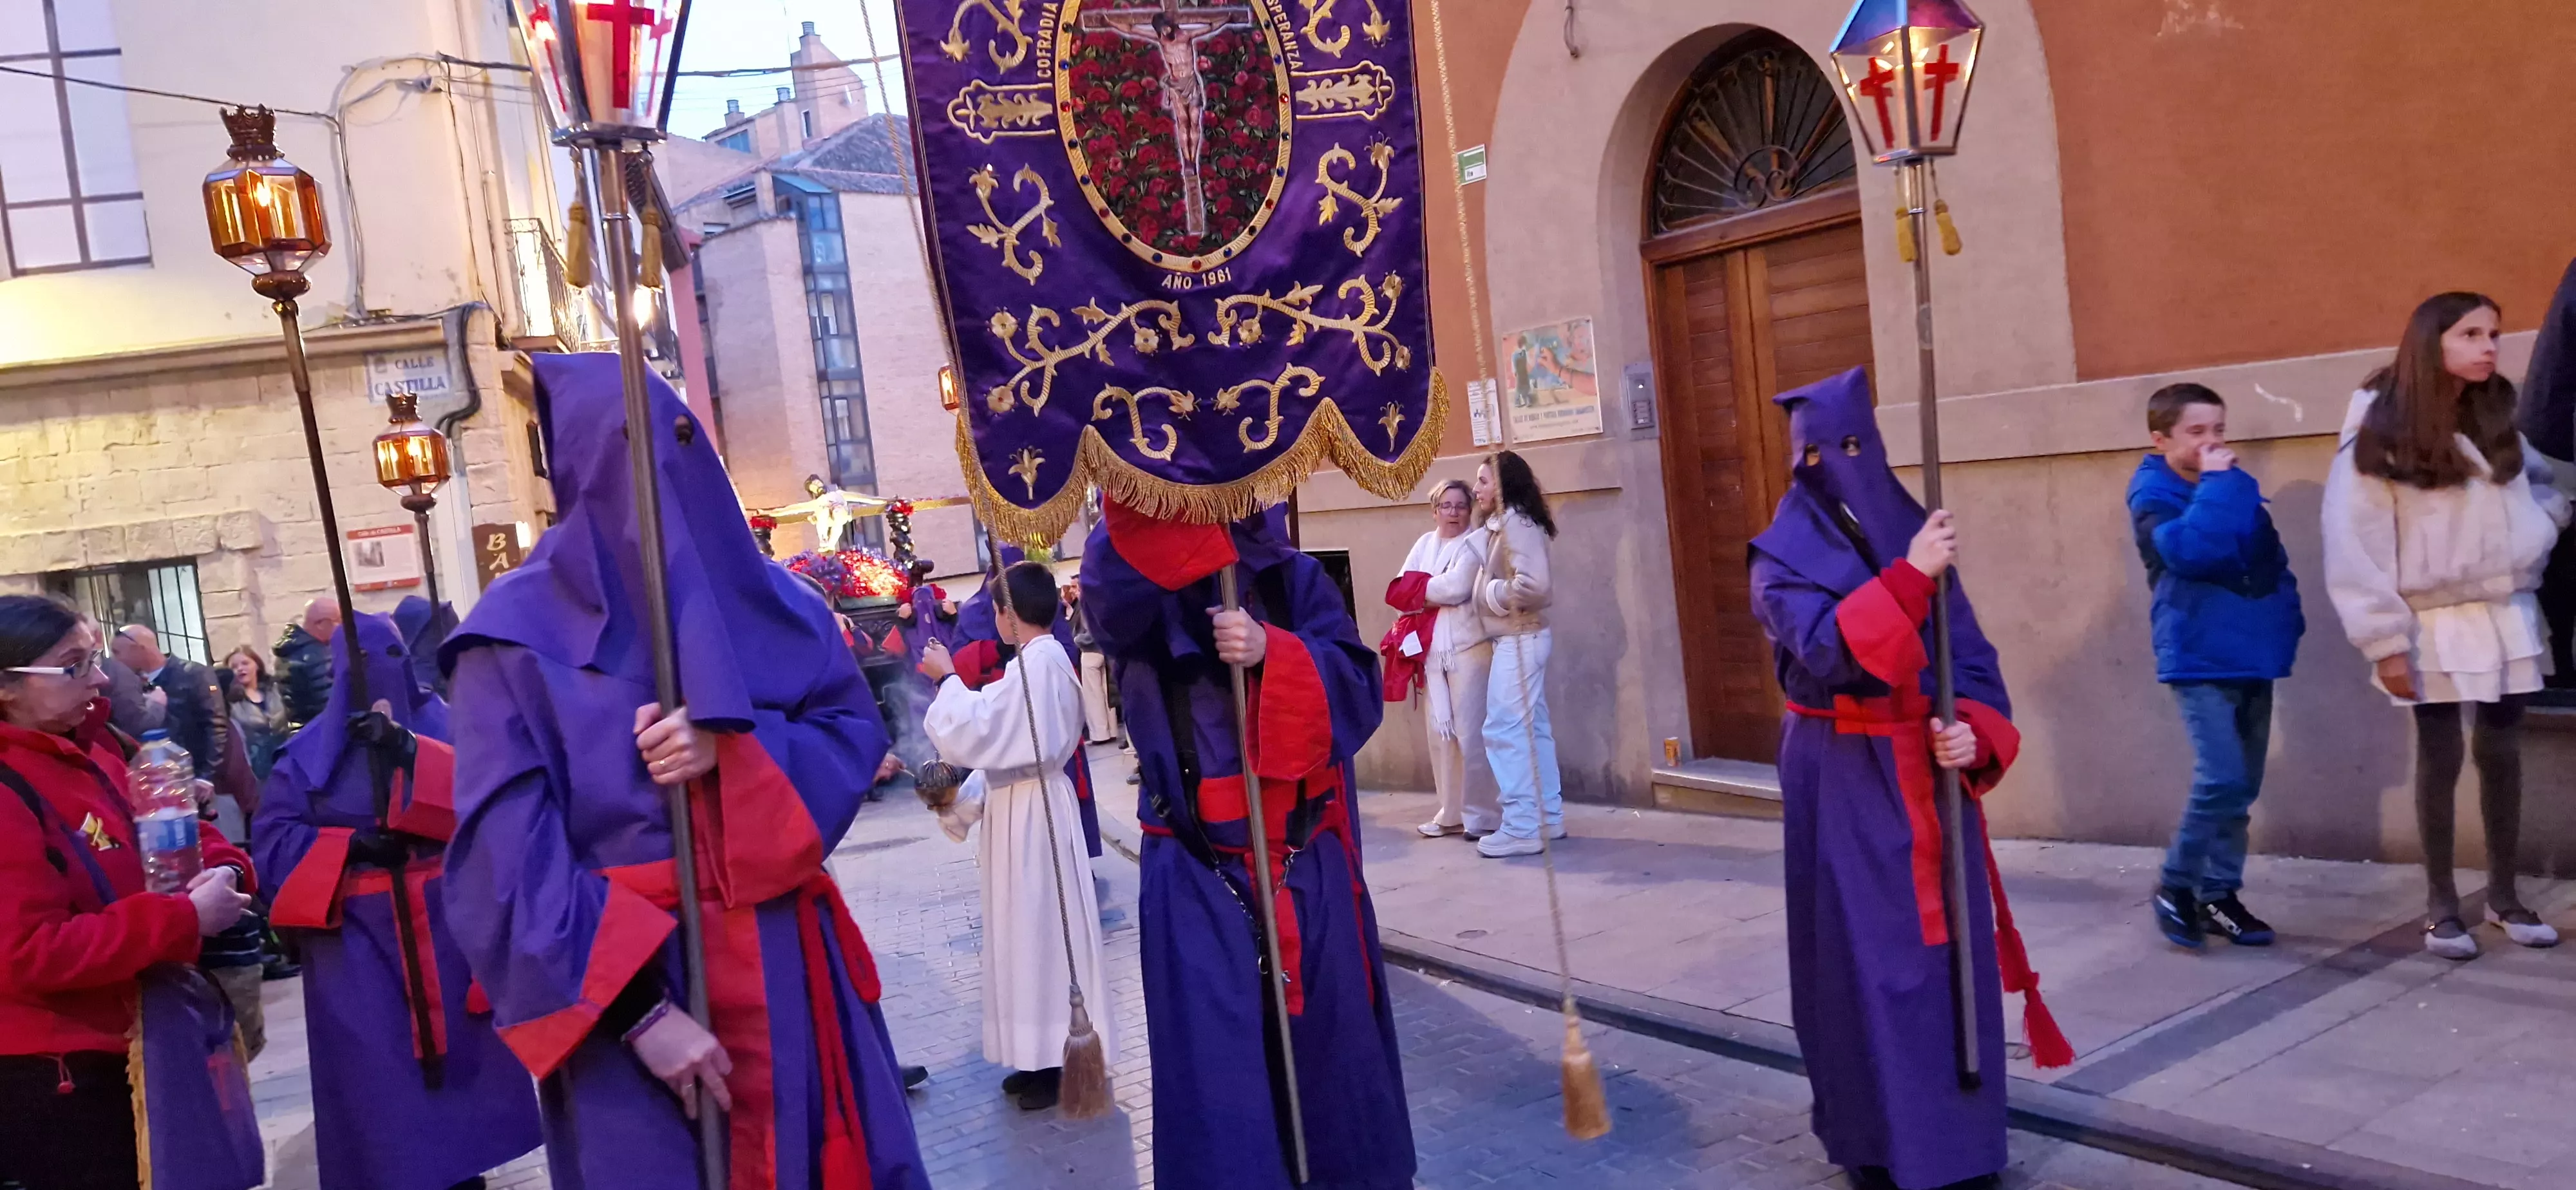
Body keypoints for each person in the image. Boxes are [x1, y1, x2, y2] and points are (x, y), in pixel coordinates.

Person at [440, 354, 927, 1189]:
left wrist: (736, 754)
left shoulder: (776, 605)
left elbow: (846, 727)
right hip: (625, 992)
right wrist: (638, 1014)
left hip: (784, 969)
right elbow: (506, 863)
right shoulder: (511, 642)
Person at [1747, 368, 2070, 1190]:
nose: (1853, 463)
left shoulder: (1912, 533)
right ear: (1804, 458)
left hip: (1925, 775)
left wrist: (1974, 734)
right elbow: (1826, 652)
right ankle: (1878, 1144)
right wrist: (1908, 577)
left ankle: (1956, 1147)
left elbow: (1968, 656)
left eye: (1865, 447)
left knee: (1946, 969)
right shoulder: (1779, 558)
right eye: (1834, 450)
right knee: (1863, 966)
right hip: (1844, 780)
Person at [1081, 500, 1415, 1190]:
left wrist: (1276, 654)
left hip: (1302, 865)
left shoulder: (1291, 577)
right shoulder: (1125, 567)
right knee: (1219, 1085)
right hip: (1198, 876)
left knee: (1334, 1071)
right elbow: (1113, 607)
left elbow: (1358, 684)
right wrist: (1184, 540)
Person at [252, 612, 542, 1190]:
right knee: (382, 1086)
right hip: (357, 943)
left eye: (389, 661)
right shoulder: (306, 756)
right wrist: (348, 846)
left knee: (466, 1083)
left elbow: (495, 806)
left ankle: (467, 1175)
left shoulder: (454, 728)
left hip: (447, 927)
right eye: (361, 667)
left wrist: (415, 760)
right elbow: (273, 845)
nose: (377, 678)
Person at [2323, 292, 2568, 959]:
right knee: (2439, 758)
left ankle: (2505, 896)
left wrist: (2538, 524)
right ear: (2433, 343)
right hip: (2430, 621)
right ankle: (2439, 906)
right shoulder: (2382, 431)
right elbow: (2354, 538)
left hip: (2506, 613)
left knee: (2503, 752)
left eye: (2492, 333)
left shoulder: (2497, 419)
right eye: (2470, 334)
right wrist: (2381, 640)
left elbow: (2543, 485)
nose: (2489, 345)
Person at [0, 594, 259, 1190]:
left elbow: (178, 837)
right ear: (8, 686)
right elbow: (29, 951)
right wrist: (182, 918)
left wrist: (228, 877)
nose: (98, 680)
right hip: (58, 1078)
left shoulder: (98, 751)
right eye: (73, 667)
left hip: (141, 1043)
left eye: (94, 660)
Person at [918, 561, 1119, 1111]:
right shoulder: (1036, 662)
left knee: (1042, 936)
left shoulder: (1041, 665)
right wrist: (965, 806)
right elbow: (1005, 751)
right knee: (1027, 936)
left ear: (1009, 616)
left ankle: (1059, 1060)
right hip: (1024, 809)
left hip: (1037, 825)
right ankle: (1039, 1056)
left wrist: (947, 679)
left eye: (996, 610)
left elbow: (981, 730)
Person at [2127, 384, 2305, 949]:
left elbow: (2268, 561)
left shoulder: (2230, 489)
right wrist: (2219, 483)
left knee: (2242, 786)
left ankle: (2219, 893)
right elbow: (2191, 551)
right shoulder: (2153, 498)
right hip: (2198, 656)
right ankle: (2177, 884)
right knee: (2221, 776)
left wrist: (2283, 622)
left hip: (2252, 652)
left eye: (2219, 431)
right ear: (2161, 439)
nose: (2213, 443)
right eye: (2197, 432)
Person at [958, 551, 1104, 858]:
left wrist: (947, 682)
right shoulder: (1037, 652)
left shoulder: (1037, 659)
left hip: (1029, 791)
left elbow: (981, 731)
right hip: (1030, 765)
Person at [1392, 478, 1499, 839]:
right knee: (1441, 735)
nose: (1453, 513)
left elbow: (1456, 589)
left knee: (1471, 735)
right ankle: (1450, 811)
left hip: (1468, 651)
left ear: (1471, 510)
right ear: (1434, 510)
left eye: (1461, 506)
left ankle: (1481, 815)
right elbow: (1399, 588)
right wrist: (1426, 590)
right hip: (1432, 655)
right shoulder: (1424, 543)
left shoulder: (1475, 543)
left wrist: (1420, 590)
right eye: (1446, 506)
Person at [1472, 451, 1564, 858]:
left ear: (1503, 486)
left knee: (1504, 729)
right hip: (1523, 639)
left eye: (1484, 482)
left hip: (1520, 639)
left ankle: (1523, 826)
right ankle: (1547, 817)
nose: (1477, 490)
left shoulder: (1515, 523)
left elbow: (1535, 586)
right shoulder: (1512, 522)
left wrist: (1491, 595)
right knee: (1532, 728)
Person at [111, 625, 228, 782]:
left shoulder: (193, 674)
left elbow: (216, 726)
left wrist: (206, 778)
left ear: (137, 649)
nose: (114, 660)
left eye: (117, 652)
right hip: (151, 781)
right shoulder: (127, 686)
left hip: (191, 776)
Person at [225, 645, 292, 782]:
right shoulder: (230, 702)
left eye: (245, 663)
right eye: (234, 667)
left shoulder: (275, 690)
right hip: (254, 771)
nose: (240, 669)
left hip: (286, 763)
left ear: (257, 665)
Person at [276, 597, 341, 730]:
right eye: (338, 621)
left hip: (307, 731)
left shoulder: (294, 649)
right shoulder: (311, 657)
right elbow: (332, 704)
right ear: (321, 624)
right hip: (321, 733)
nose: (341, 626)